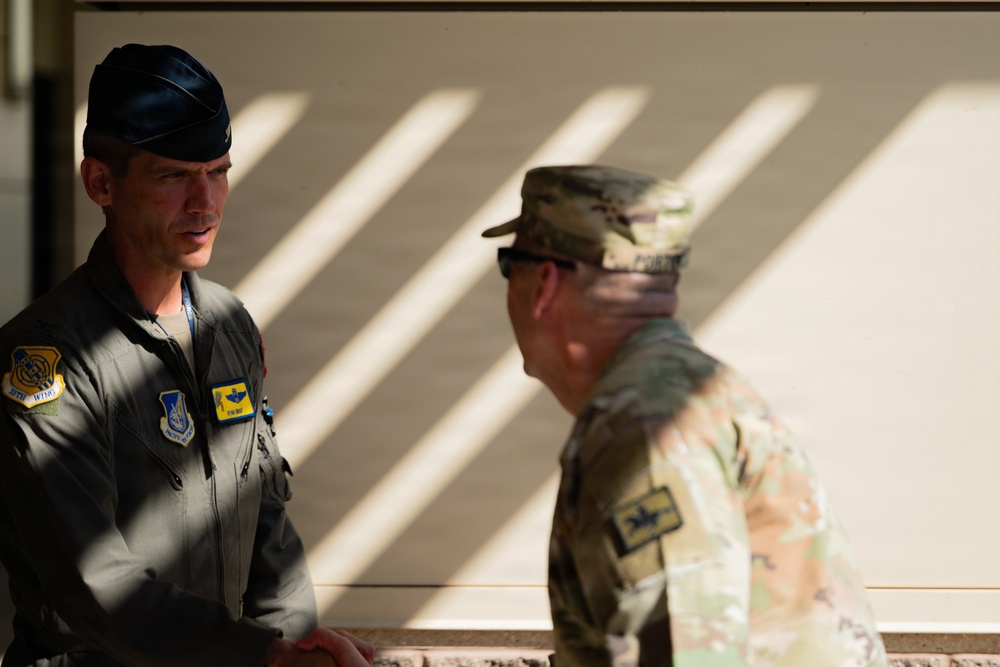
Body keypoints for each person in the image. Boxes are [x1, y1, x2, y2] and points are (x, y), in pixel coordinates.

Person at [0, 44, 373, 667]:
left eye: (218, 171)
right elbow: (95, 587)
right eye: (174, 176)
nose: (205, 203)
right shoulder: (47, 361)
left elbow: (267, 528)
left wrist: (294, 644)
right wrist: (269, 660)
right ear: (100, 182)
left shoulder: (229, 326)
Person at [482, 165, 888, 667]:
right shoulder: (685, 392)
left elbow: (687, 655)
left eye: (509, 267)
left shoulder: (647, 427)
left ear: (543, 283)